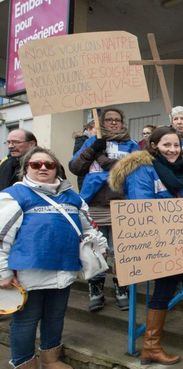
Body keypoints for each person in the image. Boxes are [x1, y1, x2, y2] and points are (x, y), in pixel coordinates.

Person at [108, 126, 183, 365]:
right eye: (166, 145)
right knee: (169, 284)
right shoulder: (142, 170)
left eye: (176, 145)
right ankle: (153, 344)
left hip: (179, 236)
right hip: (156, 239)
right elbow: (141, 206)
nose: (172, 150)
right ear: (154, 146)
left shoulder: (179, 168)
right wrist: (174, 210)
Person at [0, 147, 106, 369]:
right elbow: (2, 237)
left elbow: (87, 227)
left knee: (55, 317)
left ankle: (50, 358)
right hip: (29, 273)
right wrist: (3, 271)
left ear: (57, 167)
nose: (43, 168)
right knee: (26, 321)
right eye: (36, 165)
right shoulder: (14, 195)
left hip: (64, 270)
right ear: (26, 168)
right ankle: (24, 368)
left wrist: (95, 244)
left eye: (49, 164)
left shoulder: (73, 197)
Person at [69, 108, 139, 312]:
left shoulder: (131, 144)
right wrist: (93, 150)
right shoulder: (91, 141)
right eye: (109, 120)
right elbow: (75, 167)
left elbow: (135, 169)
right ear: (101, 122)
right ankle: (96, 290)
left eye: (117, 120)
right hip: (95, 203)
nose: (114, 123)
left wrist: (107, 162)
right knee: (97, 250)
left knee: (120, 251)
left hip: (121, 204)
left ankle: (121, 289)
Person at [72, 121, 96, 191]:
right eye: (97, 129)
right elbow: (78, 160)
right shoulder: (82, 140)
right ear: (89, 129)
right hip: (85, 177)